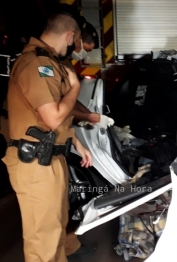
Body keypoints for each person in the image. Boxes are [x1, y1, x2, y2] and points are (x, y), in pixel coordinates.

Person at [1, 12, 93, 262]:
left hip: (50, 155)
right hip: (34, 160)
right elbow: (53, 116)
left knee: (58, 217)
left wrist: (77, 142)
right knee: (43, 233)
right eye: (73, 43)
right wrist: (75, 87)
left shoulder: (49, 62)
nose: (72, 48)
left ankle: (66, 250)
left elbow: (55, 119)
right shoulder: (36, 64)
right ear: (71, 36)